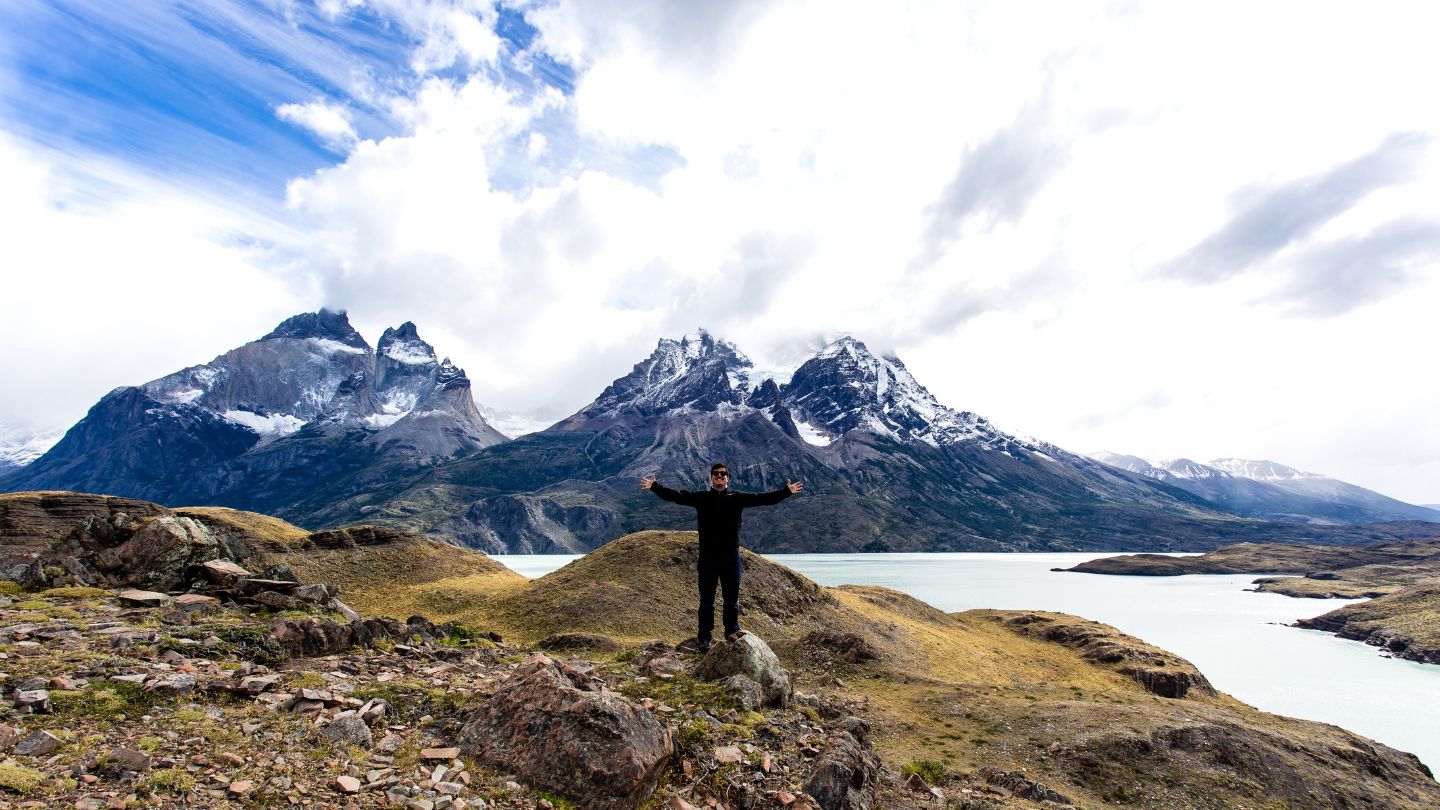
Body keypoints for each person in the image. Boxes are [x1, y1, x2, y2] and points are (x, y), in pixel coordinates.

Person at [642, 463, 803, 652]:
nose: (719, 477)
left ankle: (731, 632)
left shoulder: (737, 498)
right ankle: (704, 637)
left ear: (728, 478)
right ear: (711, 478)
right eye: (716, 474)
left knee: (731, 600)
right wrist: (655, 487)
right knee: (706, 601)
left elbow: (764, 499)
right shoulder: (701, 498)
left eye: (723, 474)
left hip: (730, 557)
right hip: (708, 557)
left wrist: (786, 491)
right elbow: (677, 497)